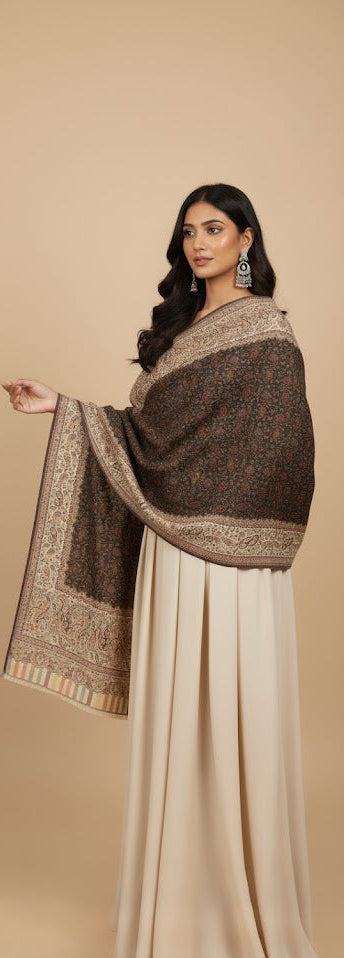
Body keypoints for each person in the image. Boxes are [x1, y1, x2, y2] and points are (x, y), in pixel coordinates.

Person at [1, 183, 319, 958]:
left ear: (247, 239)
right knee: (179, 715)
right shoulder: (179, 332)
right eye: (187, 233)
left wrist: (212, 514)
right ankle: (170, 906)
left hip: (230, 569)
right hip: (171, 553)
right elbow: (150, 438)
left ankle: (239, 903)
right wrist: (62, 408)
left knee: (231, 711)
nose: (198, 244)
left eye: (214, 229)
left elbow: (280, 455)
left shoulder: (268, 338)